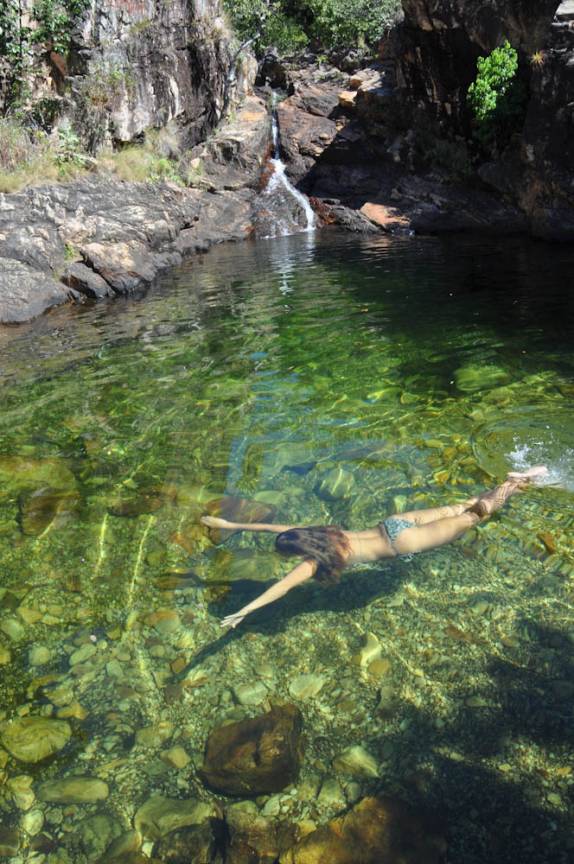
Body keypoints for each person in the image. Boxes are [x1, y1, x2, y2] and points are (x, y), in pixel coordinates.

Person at [201, 467, 548, 629]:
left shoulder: (314, 561)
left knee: (473, 517)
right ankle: (512, 483)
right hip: (393, 524)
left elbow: (281, 587)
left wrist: (244, 611)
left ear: (299, 553)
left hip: (403, 542)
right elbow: (276, 527)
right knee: (456, 508)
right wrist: (232, 525)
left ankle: (514, 482)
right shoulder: (322, 536)